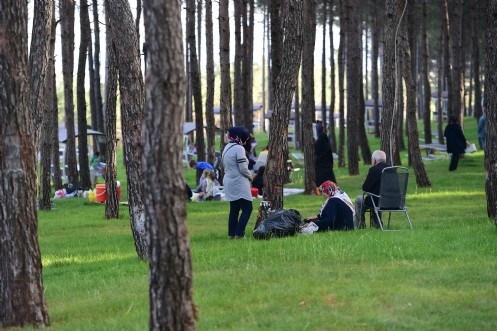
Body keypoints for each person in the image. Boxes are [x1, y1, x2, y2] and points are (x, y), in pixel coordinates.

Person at [222, 126, 253, 239]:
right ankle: (239, 234)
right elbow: (243, 168)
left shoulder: (227, 147)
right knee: (247, 208)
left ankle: (232, 233)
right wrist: (251, 177)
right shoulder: (239, 149)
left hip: (228, 180)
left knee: (234, 209)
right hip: (238, 181)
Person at [354, 150, 389, 229]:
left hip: (377, 202)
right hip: (394, 202)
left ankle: (360, 225)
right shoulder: (393, 169)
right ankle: (377, 224)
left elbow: (365, 188)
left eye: (372, 159)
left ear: (375, 160)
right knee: (375, 198)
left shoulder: (374, 170)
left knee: (359, 200)